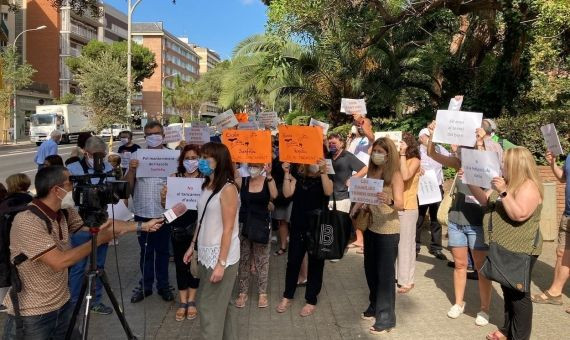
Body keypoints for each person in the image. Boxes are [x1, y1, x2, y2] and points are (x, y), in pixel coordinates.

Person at [2, 166, 162, 340]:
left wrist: (142, 226)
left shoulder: (63, 213)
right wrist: (99, 240)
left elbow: (104, 225)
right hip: (33, 313)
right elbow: (58, 262)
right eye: (71, 183)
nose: (76, 188)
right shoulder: (28, 220)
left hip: (62, 305)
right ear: (56, 190)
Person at [427, 121, 502, 325]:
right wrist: (433, 136)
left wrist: (480, 142)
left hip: (477, 220)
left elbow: (493, 168)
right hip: (457, 220)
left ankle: (484, 309)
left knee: (481, 267)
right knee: (460, 264)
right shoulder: (459, 163)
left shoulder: (490, 161)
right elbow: (433, 155)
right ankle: (459, 303)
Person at [467, 147, 543, 340]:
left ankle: (520, 336)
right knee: (507, 290)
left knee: (518, 295)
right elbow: (485, 201)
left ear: (517, 165)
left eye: (505, 163)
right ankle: (507, 329)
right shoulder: (506, 182)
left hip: (521, 248)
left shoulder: (528, 186)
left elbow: (519, 214)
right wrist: (470, 181)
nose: (501, 166)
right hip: (502, 245)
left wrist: (503, 191)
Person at [182, 142, 241, 340]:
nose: (201, 161)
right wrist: (192, 246)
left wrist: (221, 264)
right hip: (206, 253)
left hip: (222, 256)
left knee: (208, 307)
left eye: (207, 158)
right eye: (201, 157)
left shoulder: (228, 189)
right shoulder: (207, 185)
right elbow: (202, 219)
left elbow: (229, 228)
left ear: (220, 161)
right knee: (225, 305)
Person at [351, 137, 404, 334]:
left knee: (385, 275)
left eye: (380, 151)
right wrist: (356, 208)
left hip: (388, 230)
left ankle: (386, 317)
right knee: (370, 270)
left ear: (389, 154)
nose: (376, 154)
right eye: (375, 151)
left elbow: (401, 204)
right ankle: (374, 305)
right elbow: (364, 194)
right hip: (371, 227)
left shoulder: (395, 175)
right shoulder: (373, 171)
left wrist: (389, 200)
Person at [276, 159, 333, 317]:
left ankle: (311, 299)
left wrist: (323, 171)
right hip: (299, 224)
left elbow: (328, 191)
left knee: (316, 263)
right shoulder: (298, 176)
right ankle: (287, 295)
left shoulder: (326, 173)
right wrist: (286, 173)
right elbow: (287, 193)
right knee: (293, 261)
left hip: (318, 226)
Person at [125, 122, 175, 303]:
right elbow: (128, 188)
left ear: (163, 135)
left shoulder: (172, 157)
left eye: (157, 133)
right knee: (145, 252)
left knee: (162, 251)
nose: (153, 137)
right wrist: (131, 169)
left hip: (164, 212)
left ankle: (163, 285)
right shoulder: (137, 156)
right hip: (142, 212)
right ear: (145, 137)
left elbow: (181, 182)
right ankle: (145, 286)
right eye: (149, 134)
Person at [66, 136, 115, 315]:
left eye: (102, 155)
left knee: (99, 265)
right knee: (79, 266)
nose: (99, 159)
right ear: (86, 153)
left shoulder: (108, 168)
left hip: (101, 222)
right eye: (96, 155)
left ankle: (96, 301)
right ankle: (73, 304)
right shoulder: (72, 169)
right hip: (79, 224)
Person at [160, 144, 202, 322]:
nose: (190, 161)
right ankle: (183, 301)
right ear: (181, 160)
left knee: (194, 266)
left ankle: (192, 300)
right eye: (187, 158)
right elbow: (165, 207)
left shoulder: (206, 179)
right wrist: (164, 196)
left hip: (199, 229)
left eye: (194, 158)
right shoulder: (174, 178)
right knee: (180, 265)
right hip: (178, 229)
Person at [531, 150, 570, 313]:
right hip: (568, 213)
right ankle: (555, 293)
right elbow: (563, 177)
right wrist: (553, 164)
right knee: (561, 252)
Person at [235, 163, 277, 309]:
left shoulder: (267, 181)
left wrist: (270, 175)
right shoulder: (243, 180)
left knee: (262, 260)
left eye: (256, 165)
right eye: (251, 165)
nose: (253, 167)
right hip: (244, 225)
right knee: (244, 259)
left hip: (262, 225)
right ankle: (242, 292)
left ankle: (262, 293)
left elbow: (274, 195)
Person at [327, 133, 367, 251]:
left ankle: (338, 250)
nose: (331, 145)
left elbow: (365, 168)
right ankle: (330, 247)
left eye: (334, 143)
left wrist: (353, 179)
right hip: (328, 196)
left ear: (341, 143)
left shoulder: (348, 156)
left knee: (340, 225)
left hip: (342, 196)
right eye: (329, 143)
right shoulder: (328, 156)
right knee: (330, 224)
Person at [0, 174, 33, 313]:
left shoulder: (9, 203)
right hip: (27, 243)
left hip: (8, 243)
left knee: (6, 271)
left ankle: (4, 303)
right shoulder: (32, 200)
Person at [416, 128, 448, 260]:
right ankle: (414, 246)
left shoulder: (440, 149)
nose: (430, 138)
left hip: (437, 187)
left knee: (436, 219)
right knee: (419, 217)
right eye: (427, 136)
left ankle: (436, 248)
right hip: (422, 187)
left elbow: (451, 158)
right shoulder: (416, 151)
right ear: (421, 138)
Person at [397, 132, 421, 294]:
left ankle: (407, 280)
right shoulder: (397, 159)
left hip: (408, 206)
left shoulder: (414, 160)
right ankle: (396, 275)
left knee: (406, 245)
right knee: (395, 244)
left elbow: (405, 176)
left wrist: (403, 154)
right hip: (395, 205)